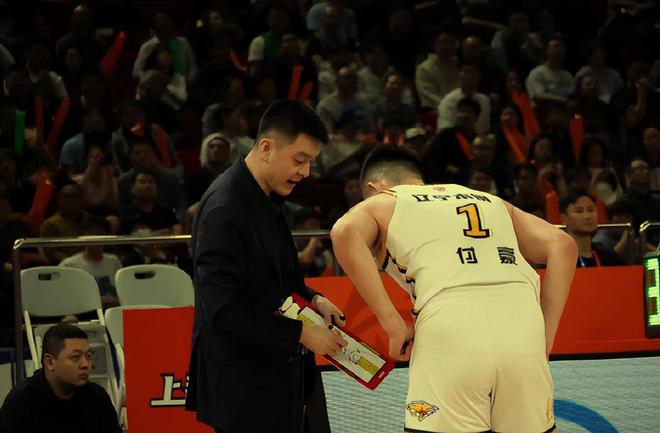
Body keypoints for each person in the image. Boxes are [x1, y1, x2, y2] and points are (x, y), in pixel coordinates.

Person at [331, 147, 577, 433]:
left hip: (449, 323)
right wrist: (544, 337)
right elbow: (563, 245)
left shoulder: (383, 202)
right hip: (523, 324)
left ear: (375, 187)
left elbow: (344, 232)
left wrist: (393, 325)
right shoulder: (490, 199)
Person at [185, 100, 347, 433]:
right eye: (299, 160)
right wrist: (301, 333)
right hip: (242, 386)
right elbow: (223, 311)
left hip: (276, 378)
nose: (306, 172)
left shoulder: (267, 195)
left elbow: (276, 277)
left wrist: (314, 299)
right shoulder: (224, 209)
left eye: (311, 162)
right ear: (266, 148)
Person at [0, 324, 122, 433]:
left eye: (88, 356)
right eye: (76, 357)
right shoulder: (23, 400)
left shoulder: (97, 396)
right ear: (50, 362)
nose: (85, 364)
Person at [559, 189, 622, 267]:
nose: (587, 216)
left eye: (590, 210)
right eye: (579, 211)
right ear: (564, 219)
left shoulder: (608, 257)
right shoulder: (555, 258)